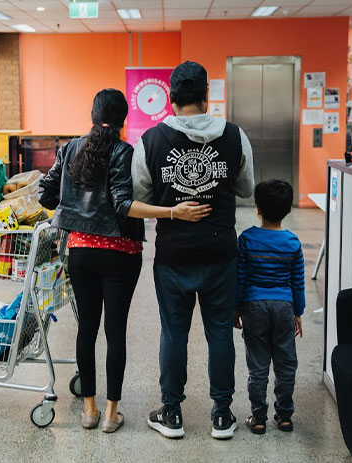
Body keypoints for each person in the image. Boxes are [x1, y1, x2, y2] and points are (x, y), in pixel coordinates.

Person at [38, 88, 211, 434]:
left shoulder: (70, 149)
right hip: (121, 256)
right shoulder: (124, 151)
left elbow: (45, 194)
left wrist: (70, 205)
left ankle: (88, 409)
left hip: (82, 253)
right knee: (115, 331)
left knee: (86, 328)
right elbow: (122, 203)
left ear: (92, 113)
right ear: (124, 119)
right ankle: (111, 413)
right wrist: (173, 211)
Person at [131, 61, 254, 440]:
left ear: (170, 98)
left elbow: (139, 196)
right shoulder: (235, 136)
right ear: (205, 97)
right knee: (220, 333)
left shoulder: (150, 141)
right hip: (220, 254)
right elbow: (247, 189)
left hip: (173, 256)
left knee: (173, 333)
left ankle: (171, 413)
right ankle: (222, 415)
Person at [234, 179, 304, 435]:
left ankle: (259, 418)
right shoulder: (292, 243)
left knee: (258, 365)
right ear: (288, 210)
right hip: (284, 306)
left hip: (254, 307)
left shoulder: (247, 240)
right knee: (286, 364)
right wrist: (298, 312)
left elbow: (240, 277)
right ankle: (284, 416)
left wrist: (236, 307)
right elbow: (298, 282)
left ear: (257, 208)